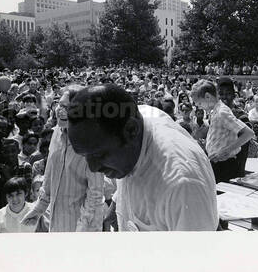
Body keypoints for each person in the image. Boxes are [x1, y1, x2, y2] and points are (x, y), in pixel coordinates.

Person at [66, 84, 218, 231]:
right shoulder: (132, 118)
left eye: (99, 154)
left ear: (132, 130)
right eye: (85, 156)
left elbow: (196, 255)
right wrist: (117, 204)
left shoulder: (182, 185)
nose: (93, 168)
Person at [21, 86, 105, 232]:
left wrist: (83, 227)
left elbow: (96, 194)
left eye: (66, 107)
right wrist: (39, 209)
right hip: (55, 222)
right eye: (59, 104)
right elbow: (48, 177)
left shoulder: (92, 143)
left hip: (81, 226)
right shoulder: (55, 134)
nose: (60, 110)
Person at [191, 80, 254, 183]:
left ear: (207, 97)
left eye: (199, 103)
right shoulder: (215, 111)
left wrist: (225, 151)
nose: (198, 106)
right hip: (218, 163)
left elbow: (248, 133)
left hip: (225, 165)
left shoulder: (222, 112)